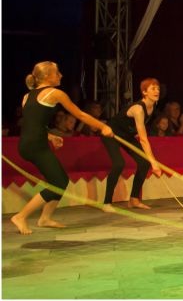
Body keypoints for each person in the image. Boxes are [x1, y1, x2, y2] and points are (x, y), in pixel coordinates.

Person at [11, 62, 114, 234]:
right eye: (57, 72)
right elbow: (80, 114)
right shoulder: (55, 93)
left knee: (61, 180)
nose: (61, 75)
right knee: (58, 183)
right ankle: (21, 216)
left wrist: (50, 136)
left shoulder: (27, 97)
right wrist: (103, 127)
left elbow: (34, 125)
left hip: (28, 144)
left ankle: (45, 218)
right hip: (36, 146)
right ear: (46, 76)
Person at [101, 77, 164, 212]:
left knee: (144, 163)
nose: (157, 91)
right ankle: (106, 203)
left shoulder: (152, 107)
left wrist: (150, 161)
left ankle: (134, 200)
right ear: (144, 92)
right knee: (119, 164)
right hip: (111, 134)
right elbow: (144, 139)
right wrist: (154, 163)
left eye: (158, 88)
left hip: (127, 135)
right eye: (153, 88)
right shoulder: (138, 109)